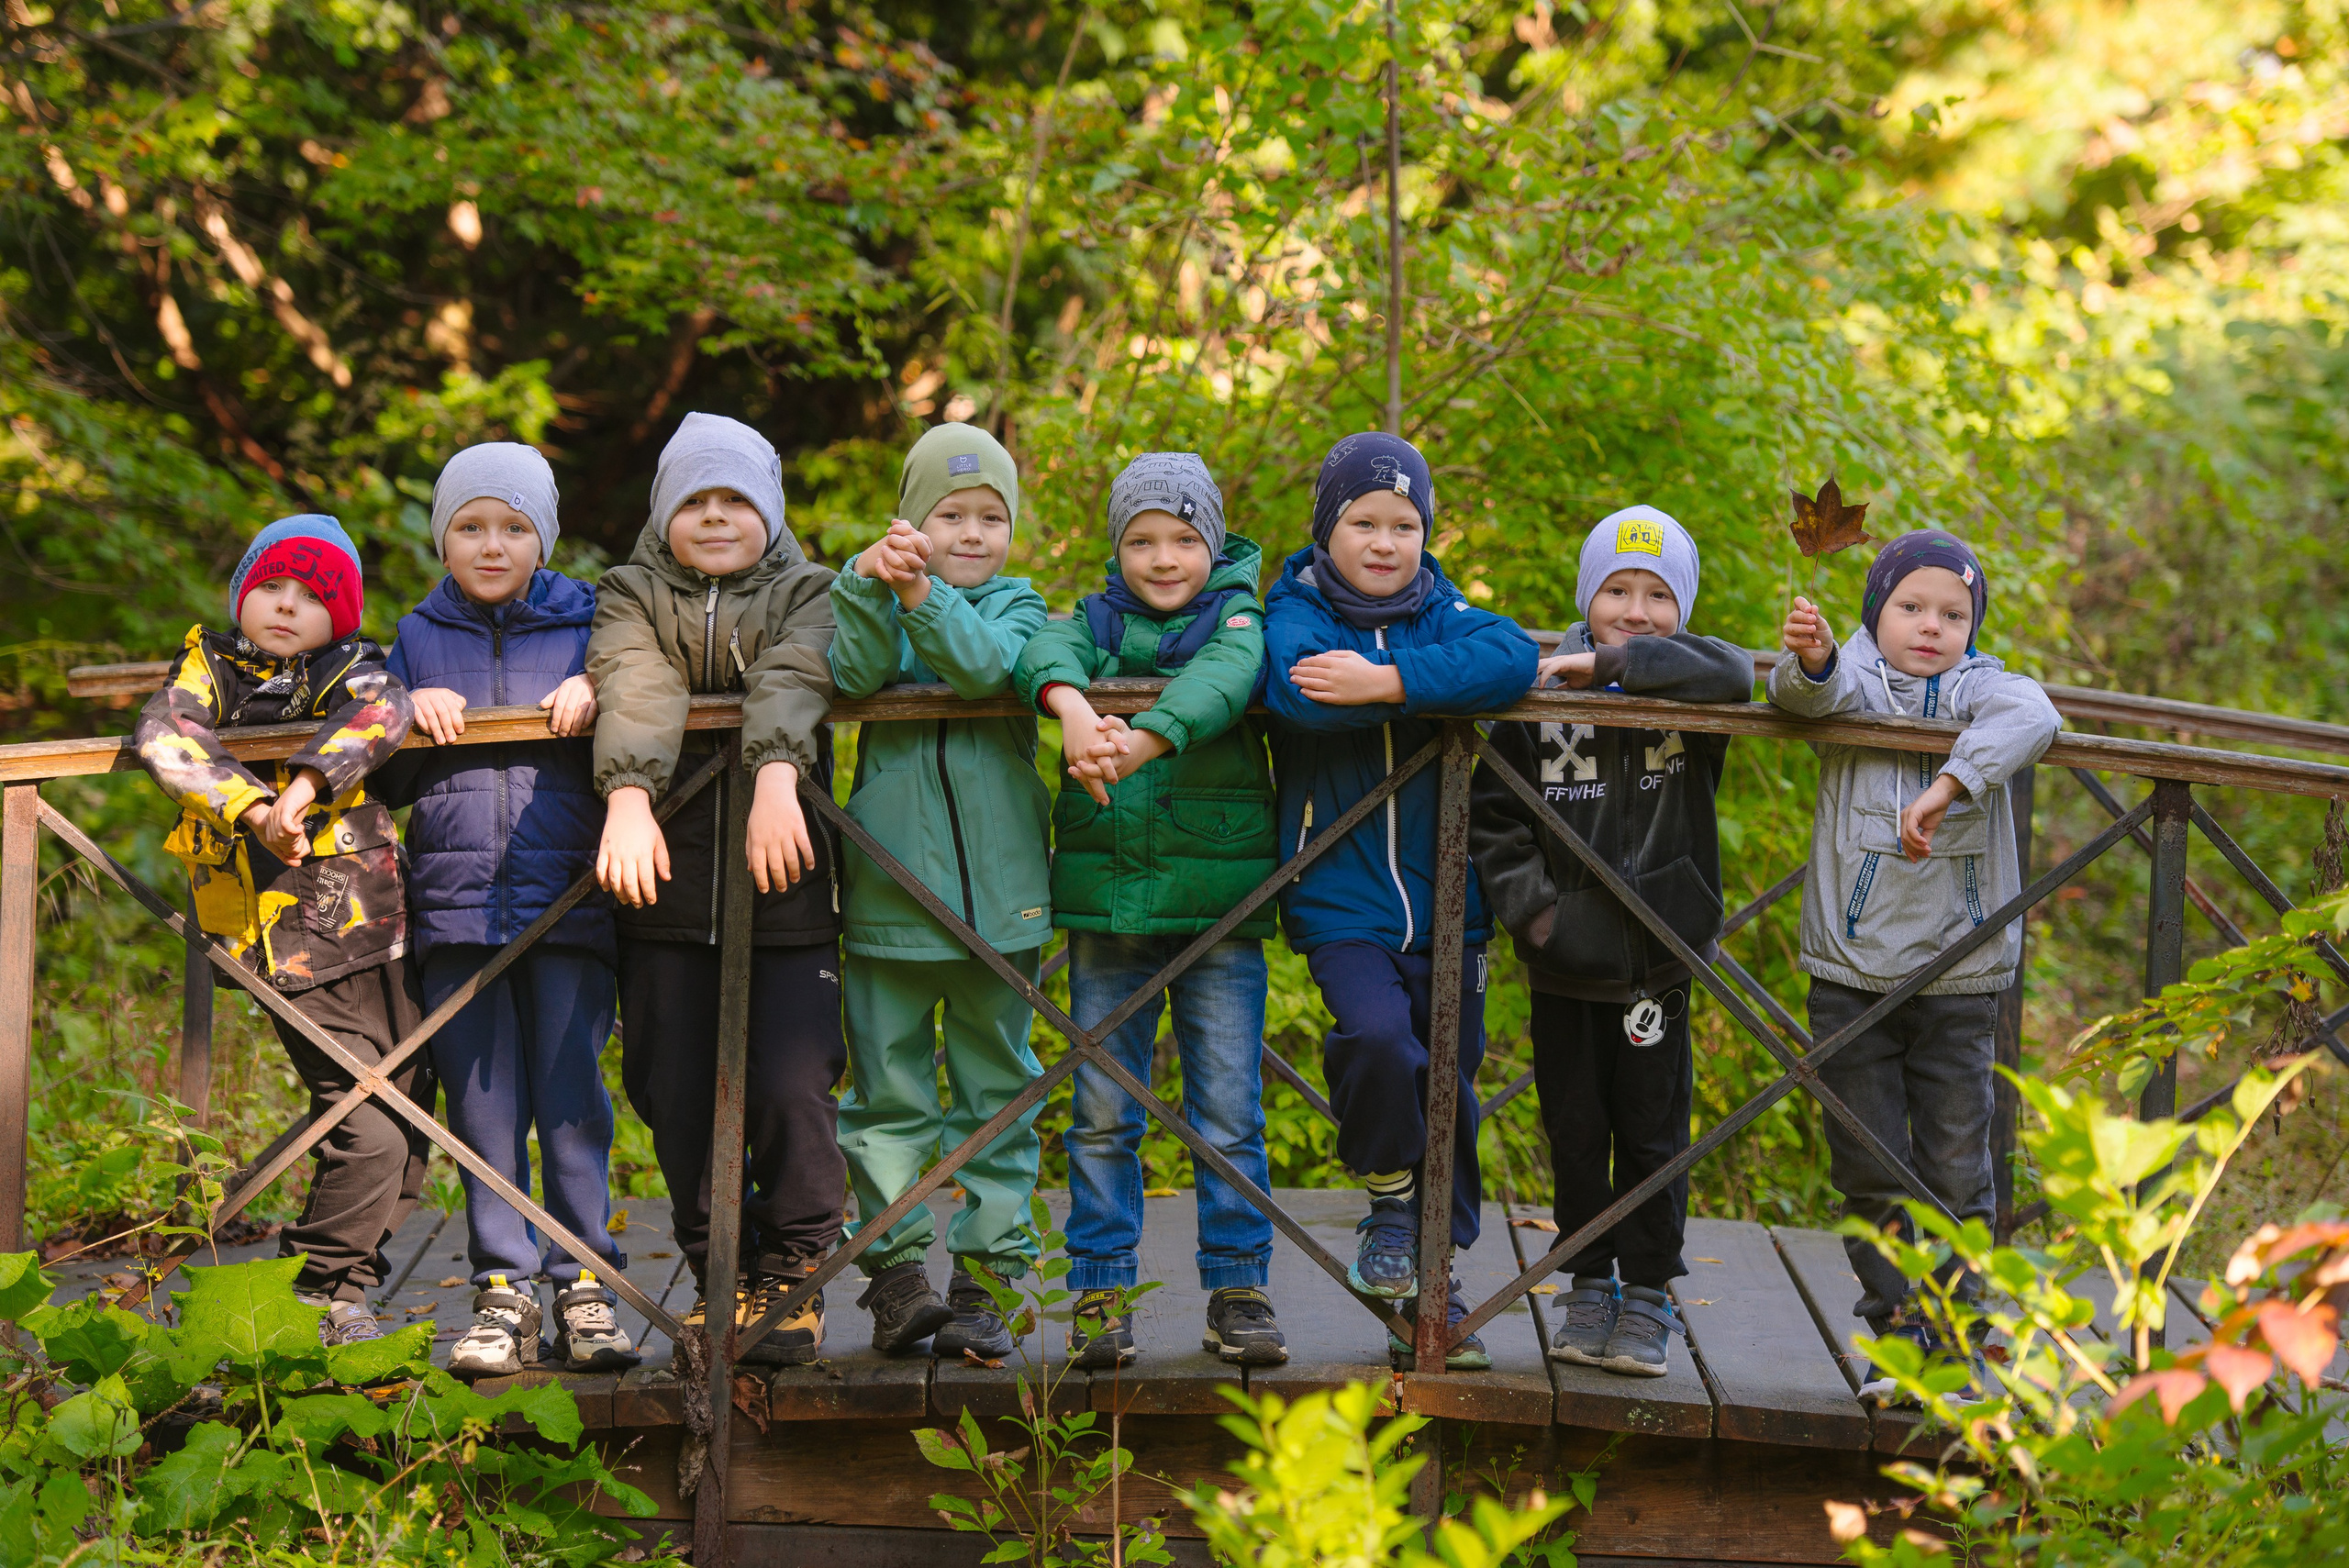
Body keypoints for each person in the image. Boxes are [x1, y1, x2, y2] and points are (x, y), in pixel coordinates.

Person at [1259, 431, 1539, 1371]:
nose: (1385, 542)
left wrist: (1388, 680)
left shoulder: (1443, 611)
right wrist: (1424, 694)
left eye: (1405, 524)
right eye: (1363, 522)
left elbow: (1507, 660)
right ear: (1326, 528)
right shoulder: (1295, 604)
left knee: (1450, 1079)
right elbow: (1297, 693)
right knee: (1379, 1038)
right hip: (1339, 891)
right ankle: (1387, 1194)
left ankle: (1435, 1285)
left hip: (1450, 895)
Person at [1768, 528, 2058, 1403]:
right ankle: (1901, 1335)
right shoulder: (1852, 673)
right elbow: (1800, 700)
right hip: (1851, 968)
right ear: (1875, 611)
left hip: (1960, 975)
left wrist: (1946, 783)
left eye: (1953, 612)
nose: (1931, 625)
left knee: (1958, 1159)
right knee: (1865, 1158)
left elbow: (2036, 714)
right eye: (1911, 606)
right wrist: (1811, 659)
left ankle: (1958, 1337)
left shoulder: (1983, 688)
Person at [1013, 451, 1286, 1371]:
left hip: (1216, 905)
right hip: (1111, 907)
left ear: (1211, 540)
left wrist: (1145, 738)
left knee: (1226, 1110)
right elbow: (1043, 646)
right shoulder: (1094, 622)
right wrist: (1072, 708)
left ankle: (1239, 1284)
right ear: (1115, 547)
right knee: (1100, 1110)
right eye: (1140, 540)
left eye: (1181, 537)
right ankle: (1100, 1286)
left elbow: (1228, 673)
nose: (1162, 558)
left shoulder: (1242, 611)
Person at [1468, 506, 1752, 1378]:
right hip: (1564, 960)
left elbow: (1737, 672)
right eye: (1617, 591)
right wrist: (1537, 915)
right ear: (1587, 598)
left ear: (1683, 608)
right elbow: (1494, 816)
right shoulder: (1541, 693)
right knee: (1577, 1130)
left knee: (1653, 1131)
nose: (1636, 609)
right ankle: (1587, 1280)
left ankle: (1649, 1293)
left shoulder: (1690, 682)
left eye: (1659, 596)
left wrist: (1622, 668)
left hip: (1657, 961)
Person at [375, 442, 637, 1379]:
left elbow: (644, 707)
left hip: (567, 893)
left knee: (571, 1098)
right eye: (472, 526)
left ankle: (586, 1282)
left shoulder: (594, 623)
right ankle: (503, 1286)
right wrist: (404, 709)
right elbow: (391, 780)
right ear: (443, 536)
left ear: (544, 537)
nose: (493, 544)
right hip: (455, 908)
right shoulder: (411, 637)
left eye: (514, 526)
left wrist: (600, 690)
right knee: (484, 1106)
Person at [589, 412, 844, 1367]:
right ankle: (718, 1273)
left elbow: (795, 669)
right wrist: (626, 798)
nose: (715, 515)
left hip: (782, 874)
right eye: (694, 499)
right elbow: (638, 679)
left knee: (790, 1082)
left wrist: (776, 771)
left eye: (735, 497)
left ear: (768, 510)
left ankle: (797, 1268)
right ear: (665, 513)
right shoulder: (627, 591)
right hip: (660, 873)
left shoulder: (810, 587)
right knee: (673, 1086)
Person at [134, 514, 422, 1345]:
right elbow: (165, 733)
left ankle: (345, 1294)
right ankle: (315, 1291)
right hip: (282, 937)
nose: (289, 606)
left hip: (377, 926)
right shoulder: (213, 668)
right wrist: (255, 806)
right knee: (367, 1120)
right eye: (273, 588)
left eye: (313, 594)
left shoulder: (352, 668)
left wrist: (303, 784)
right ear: (241, 595)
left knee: (412, 1117)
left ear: (344, 615)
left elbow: (385, 710)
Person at [829, 423, 1052, 1360]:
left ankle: (989, 1277)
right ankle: (897, 1276)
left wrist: (918, 592)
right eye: (948, 514)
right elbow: (850, 671)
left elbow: (985, 667)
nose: (970, 532)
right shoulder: (873, 590)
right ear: (911, 519)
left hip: (1002, 900)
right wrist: (868, 583)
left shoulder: (1024, 606)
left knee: (998, 1089)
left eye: (990, 516)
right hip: (890, 889)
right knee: (886, 1095)